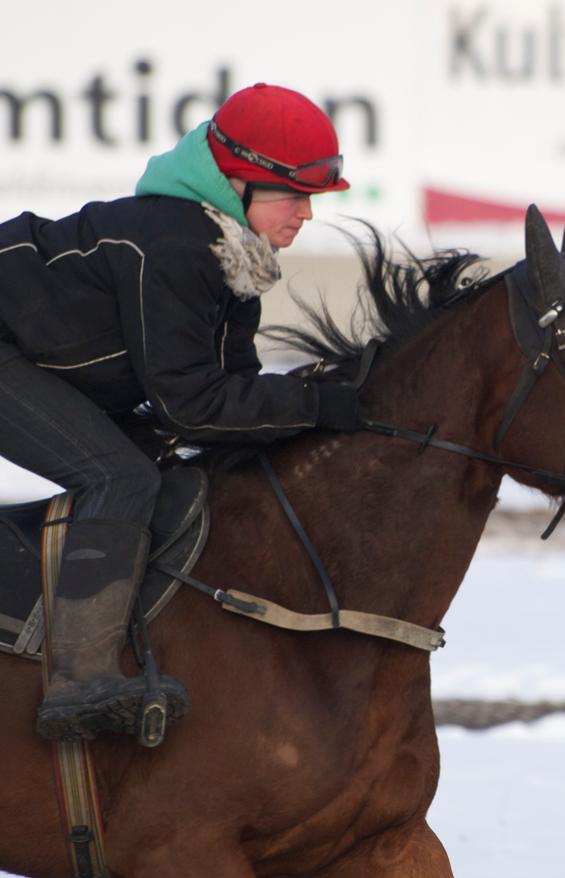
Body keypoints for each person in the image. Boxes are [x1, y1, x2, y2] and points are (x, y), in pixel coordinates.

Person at [0, 83, 364, 742]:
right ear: (238, 182)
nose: (306, 215)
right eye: (295, 194)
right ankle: (78, 683)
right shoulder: (174, 243)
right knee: (120, 478)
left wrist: (316, 396)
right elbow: (193, 406)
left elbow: (237, 401)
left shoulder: (234, 256)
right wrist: (316, 402)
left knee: (148, 464)